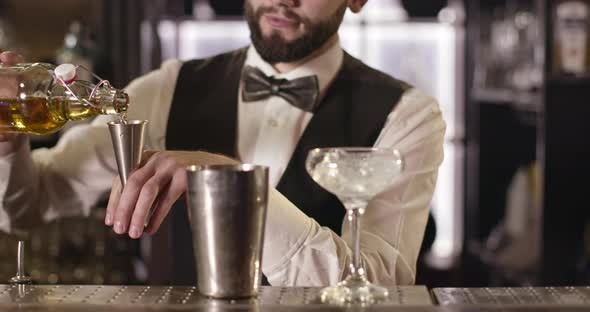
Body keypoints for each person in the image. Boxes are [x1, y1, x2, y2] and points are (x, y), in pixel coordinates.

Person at [0, 0, 445, 286]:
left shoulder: (406, 115)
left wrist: (229, 181)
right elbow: (29, 205)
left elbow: (382, 289)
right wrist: (6, 146)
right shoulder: (168, 87)